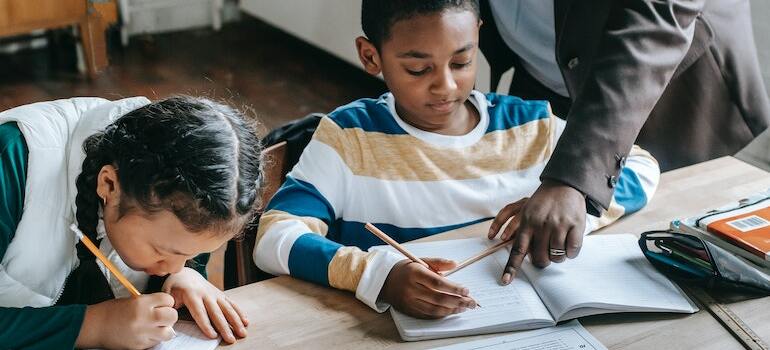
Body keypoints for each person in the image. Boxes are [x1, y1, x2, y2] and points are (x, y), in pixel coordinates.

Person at [253, 0, 660, 319]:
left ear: (478, 36)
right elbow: (274, 237)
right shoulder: (349, 138)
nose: (446, 86)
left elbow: (641, 167)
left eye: (462, 62)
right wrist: (378, 275)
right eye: (417, 69)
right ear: (371, 56)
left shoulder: (529, 123)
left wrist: (568, 208)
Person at [478, 0, 770, 284]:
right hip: (544, 81)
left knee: (696, 259)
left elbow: (657, 18)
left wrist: (572, 178)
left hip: (674, 94)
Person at [0, 95, 262, 349]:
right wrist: (93, 326)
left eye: (194, 255)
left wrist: (186, 277)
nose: (173, 266)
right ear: (109, 185)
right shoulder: (12, 160)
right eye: (162, 251)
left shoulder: (195, 200)